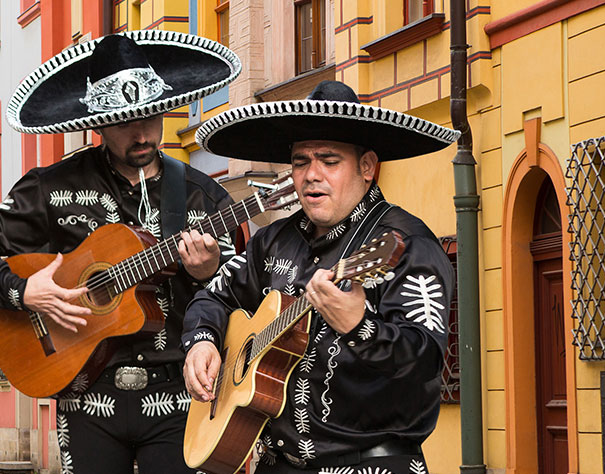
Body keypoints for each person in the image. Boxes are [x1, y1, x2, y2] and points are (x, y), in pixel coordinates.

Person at [0, 30, 241, 473]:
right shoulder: (52, 187)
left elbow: (241, 296)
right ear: (98, 124)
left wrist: (208, 272)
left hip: (181, 392)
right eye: (124, 122)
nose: (141, 133)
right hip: (85, 394)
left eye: (151, 117)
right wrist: (21, 291)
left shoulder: (202, 196)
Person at [182, 81, 459, 473]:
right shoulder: (273, 240)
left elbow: (425, 359)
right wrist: (202, 342)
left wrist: (361, 327)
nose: (312, 175)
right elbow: (214, 296)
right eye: (300, 162)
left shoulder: (409, 244)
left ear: (367, 167)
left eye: (329, 161)